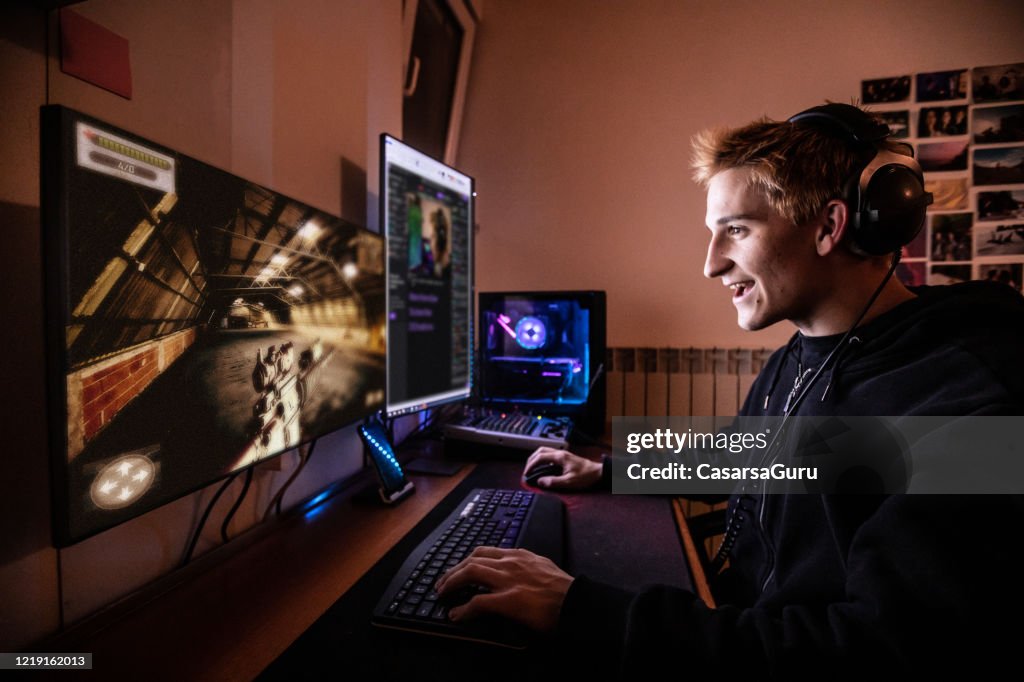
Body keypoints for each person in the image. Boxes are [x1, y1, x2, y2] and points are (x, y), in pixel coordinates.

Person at [435, 103, 1024, 676]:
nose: (711, 265)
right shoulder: (808, 356)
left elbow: (872, 652)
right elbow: (759, 458)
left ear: (830, 226)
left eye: (736, 231)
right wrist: (610, 469)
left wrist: (581, 609)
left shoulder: (971, 406)